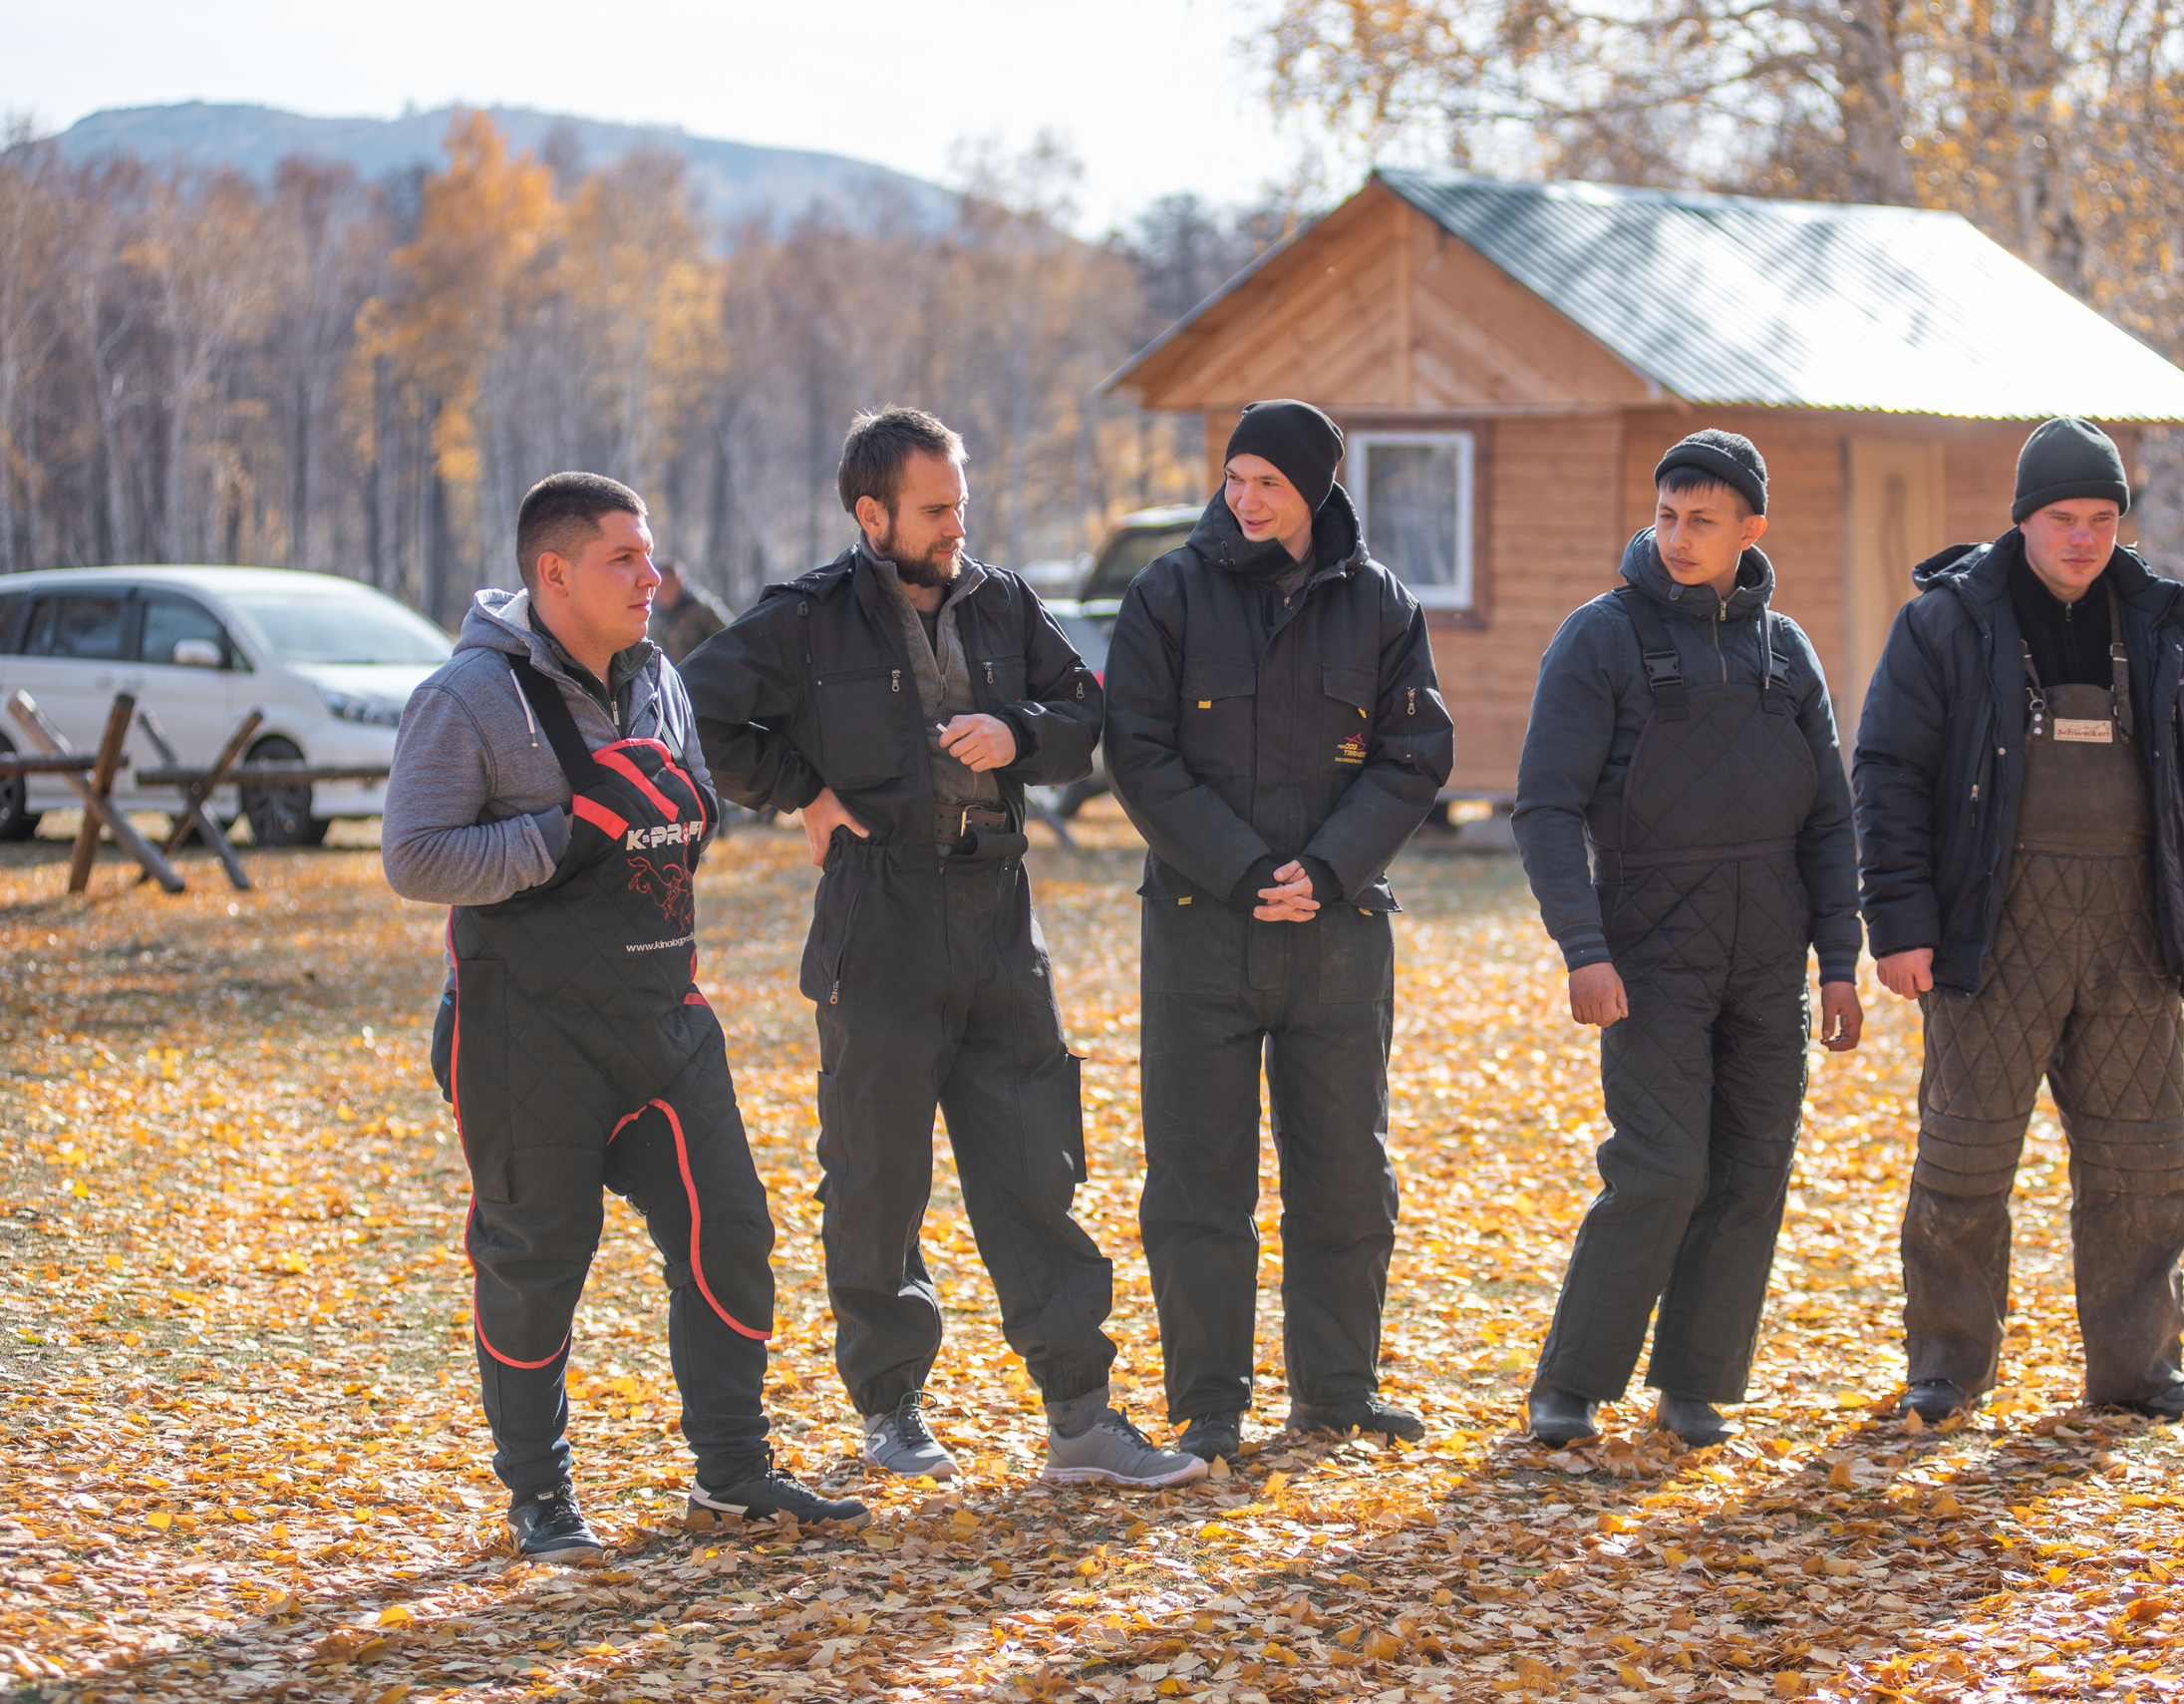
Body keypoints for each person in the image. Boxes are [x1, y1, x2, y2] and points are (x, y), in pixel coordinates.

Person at [681, 408, 1203, 1491]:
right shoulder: (808, 618)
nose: (956, 524)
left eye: (961, 502)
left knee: (1035, 1166)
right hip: (878, 911)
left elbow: (1081, 711)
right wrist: (804, 793)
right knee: (876, 1178)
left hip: (999, 909)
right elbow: (699, 708)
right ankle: (891, 1409)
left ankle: (1081, 1420)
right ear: (872, 514)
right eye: (934, 508)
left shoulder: (1006, 601)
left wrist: (1018, 731)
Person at [383, 472, 866, 1562]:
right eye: (626, 559)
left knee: (732, 1232)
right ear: (553, 573)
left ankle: (733, 1473)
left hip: (664, 1015)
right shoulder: (464, 698)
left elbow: (686, 806)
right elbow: (414, 858)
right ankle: (540, 1497)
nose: (655, 577)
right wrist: (567, 831)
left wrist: (677, 816)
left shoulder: (660, 678)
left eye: (650, 555)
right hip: (524, 1035)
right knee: (535, 1254)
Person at [1854, 417, 2184, 1425]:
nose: (2083, 538)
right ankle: (1944, 1369)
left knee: (2143, 1162)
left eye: (2102, 518)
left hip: (2133, 928)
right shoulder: (1946, 622)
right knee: (1963, 1158)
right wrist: (1899, 923)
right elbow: (1889, 775)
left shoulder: (2171, 624)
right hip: (1990, 929)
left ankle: (2137, 1371)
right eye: (2062, 518)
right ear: (2023, 521)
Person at [1103, 399, 1454, 1463]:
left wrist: (1332, 868)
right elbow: (1140, 753)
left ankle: (1336, 1392)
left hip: (1338, 935)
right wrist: (1251, 869)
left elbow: (1414, 752)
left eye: (1268, 481)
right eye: (1234, 477)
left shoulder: (1381, 603)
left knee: (1347, 1172)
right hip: (1200, 929)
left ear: (1315, 487)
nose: (1245, 499)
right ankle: (1209, 1403)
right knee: (1199, 1178)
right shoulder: (1167, 593)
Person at [1511, 431, 1863, 1450]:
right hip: (1650, 955)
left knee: (1751, 1170)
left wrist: (1837, 961)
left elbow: (1829, 819)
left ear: (1750, 529)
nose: (1677, 535)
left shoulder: (1785, 650)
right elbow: (1543, 807)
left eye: (1702, 520)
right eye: (1667, 514)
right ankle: (1571, 1383)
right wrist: (1582, 946)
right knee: (1662, 1169)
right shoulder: (1601, 638)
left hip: (1771, 958)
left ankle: (1695, 1383)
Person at [649, 559, 734, 663]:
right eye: (657, 587)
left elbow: (730, 640)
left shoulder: (702, 609)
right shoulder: (651, 616)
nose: (662, 592)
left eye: (667, 585)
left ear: (679, 583)